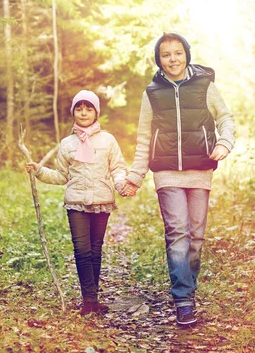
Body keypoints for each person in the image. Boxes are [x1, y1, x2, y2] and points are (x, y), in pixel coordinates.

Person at [121, 33, 236, 327]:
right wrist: (135, 175)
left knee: (196, 238)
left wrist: (224, 143)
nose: (173, 59)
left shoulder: (205, 85)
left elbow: (225, 118)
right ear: (159, 60)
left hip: (200, 170)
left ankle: (188, 291)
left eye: (177, 53)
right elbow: (144, 136)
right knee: (177, 235)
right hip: (166, 172)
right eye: (166, 55)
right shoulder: (152, 92)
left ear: (186, 53)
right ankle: (183, 301)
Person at [26, 90, 127, 316]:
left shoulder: (108, 140)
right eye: (79, 109)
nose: (83, 113)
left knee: (95, 250)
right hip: (76, 203)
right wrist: (39, 171)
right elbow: (62, 175)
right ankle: (88, 301)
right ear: (73, 112)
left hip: (102, 201)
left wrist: (121, 184)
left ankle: (94, 298)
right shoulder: (67, 143)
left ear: (96, 112)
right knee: (81, 251)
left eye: (88, 108)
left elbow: (118, 168)